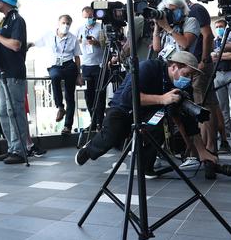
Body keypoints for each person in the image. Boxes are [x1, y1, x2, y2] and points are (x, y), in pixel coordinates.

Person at [75, 51, 218, 177]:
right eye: (186, 74)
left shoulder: (181, 86)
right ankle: (88, 150)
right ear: (174, 67)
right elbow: (129, 97)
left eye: (191, 76)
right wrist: (162, 99)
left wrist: (201, 151)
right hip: (122, 109)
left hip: (147, 113)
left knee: (160, 123)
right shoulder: (148, 67)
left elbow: (188, 119)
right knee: (111, 136)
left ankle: (146, 166)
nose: (188, 79)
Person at [166, 0, 227, 156]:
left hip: (198, 64)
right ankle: (207, 146)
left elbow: (208, 35)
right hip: (188, 64)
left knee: (203, 105)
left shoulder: (196, 9)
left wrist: (204, 60)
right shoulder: (180, 15)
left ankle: (209, 149)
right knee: (204, 104)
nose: (172, 1)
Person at [0, 0, 29, 164]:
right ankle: (12, 147)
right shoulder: (3, 20)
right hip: (3, 72)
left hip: (13, 72)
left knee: (15, 111)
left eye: (0, 1)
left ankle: (19, 150)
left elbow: (16, 45)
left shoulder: (17, 20)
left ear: (6, 3)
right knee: (3, 111)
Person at [32, 15, 82, 135]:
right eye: (64, 23)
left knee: (70, 96)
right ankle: (60, 106)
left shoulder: (73, 38)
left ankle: (67, 126)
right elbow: (36, 43)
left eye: (68, 23)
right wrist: (27, 45)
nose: (66, 25)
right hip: (55, 65)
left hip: (69, 64)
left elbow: (77, 57)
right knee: (55, 77)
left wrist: (79, 74)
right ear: (58, 23)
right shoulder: (49, 35)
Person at [211, 19, 231, 145]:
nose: (219, 28)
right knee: (222, 105)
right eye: (217, 26)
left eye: (221, 26)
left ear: (225, 27)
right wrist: (218, 55)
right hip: (218, 75)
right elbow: (211, 57)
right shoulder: (214, 42)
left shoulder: (230, 39)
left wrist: (218, 55)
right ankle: (225, 130)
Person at [77, 6, 106, 129]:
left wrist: (97, 43)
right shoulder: (80, 29)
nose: (88, 19)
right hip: (86, 65)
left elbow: (106, 45)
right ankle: (93, 122)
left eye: (90, 16)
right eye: (86, 17)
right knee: (89, 96)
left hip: (99, 65)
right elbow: (77, 44)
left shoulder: (101, 27)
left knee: (100, 94)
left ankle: (101, 122)